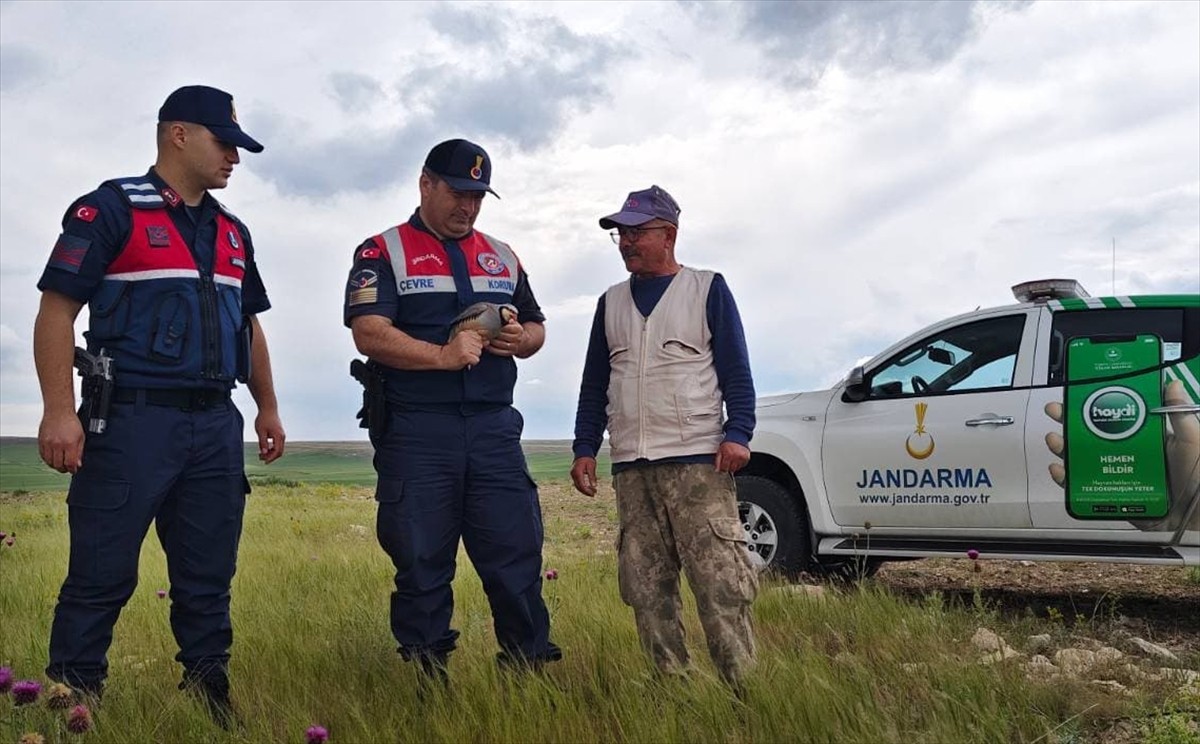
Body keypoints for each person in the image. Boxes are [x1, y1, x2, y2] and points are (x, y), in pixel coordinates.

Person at [33, 85, 286, 724]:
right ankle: (73, 700)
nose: (235, 157)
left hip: (214, 425)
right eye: (223, 142)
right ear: (178, 134)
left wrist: (268, 408)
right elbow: (55, 311)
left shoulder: (233, 232)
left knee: (207, 576)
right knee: (99, 574)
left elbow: (249, 326)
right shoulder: (110, 210)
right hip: (131, 421)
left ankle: (209, 696)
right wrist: (58, 412)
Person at [344, 138, 560, 683]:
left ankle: (528, 671)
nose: (468, 207)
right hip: (419, 432)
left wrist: (521, 338)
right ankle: (427, 679)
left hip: (492, 429)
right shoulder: (382, 251)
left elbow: (537, 325)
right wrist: (442, 357)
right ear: (426, 184)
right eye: (459, 193)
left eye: (479, 197)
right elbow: (368, 333)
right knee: (421, 564)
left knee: (516, 558)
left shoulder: (502, 254)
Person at [570, 185, 758, 686]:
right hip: (633, 469)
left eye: (637, 232)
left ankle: (743, 690)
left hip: (699, 464)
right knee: (647, 589)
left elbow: (736, 371)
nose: (627, 241)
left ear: (668, 234)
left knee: (721, 585)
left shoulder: (706, 288)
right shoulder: (609, 304)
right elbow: (595, 383)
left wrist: (738, 432)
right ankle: (674, 692)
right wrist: (585, 447)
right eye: (621, 234)